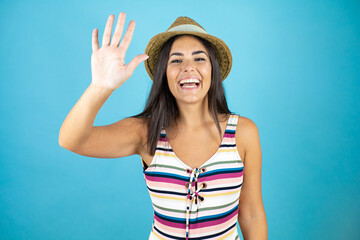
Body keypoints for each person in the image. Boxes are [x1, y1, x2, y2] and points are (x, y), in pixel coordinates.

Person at [59, 12, 267, 240]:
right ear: (164, 74)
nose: (188, 67)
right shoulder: (146, 132)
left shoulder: (243, 133)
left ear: (213, 70)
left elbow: (252, 214)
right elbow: (71, 140)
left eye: (199, 58)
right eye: (176, 60)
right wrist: (101, 87)